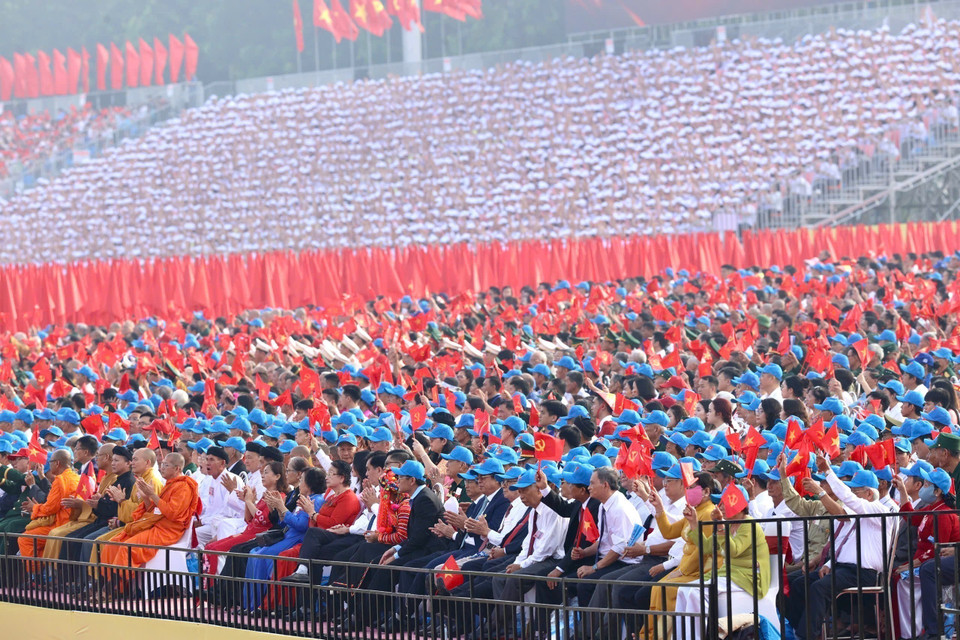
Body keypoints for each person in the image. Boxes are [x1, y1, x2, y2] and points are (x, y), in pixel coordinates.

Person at [95, 453, 199, 593]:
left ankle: (110, 591)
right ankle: (110, 586)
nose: (162, 467)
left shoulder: (184, 486)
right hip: (155, 525)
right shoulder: (170, 484)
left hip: (168, 530)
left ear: (177, 468)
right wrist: (146, 498)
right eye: (162, 464)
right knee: (112, 544)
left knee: (127, 548)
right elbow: (155, 510)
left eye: (166, 465)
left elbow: (172, 513)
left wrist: (152, 495)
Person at [18, 449, 80, 561]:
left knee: (25, 539)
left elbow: (50, 508)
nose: (50, 465)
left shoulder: (60, 480)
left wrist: (34, 507)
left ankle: (35, 570)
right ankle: (43, 568)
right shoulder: (75, 477)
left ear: (57, 463)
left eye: (50, 462)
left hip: (62, 523)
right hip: (71, 521)